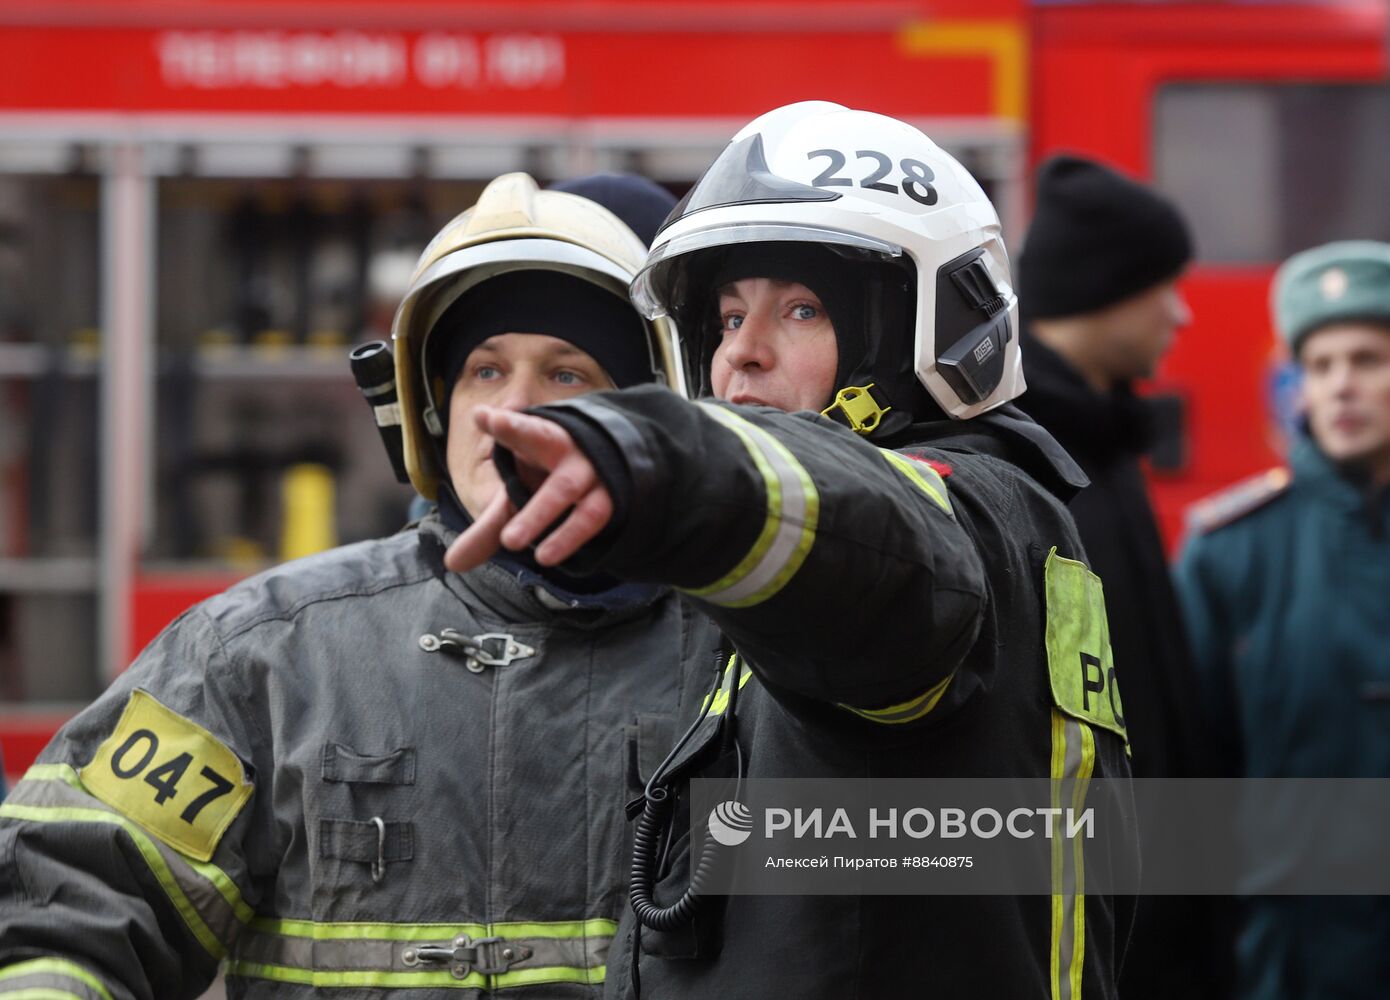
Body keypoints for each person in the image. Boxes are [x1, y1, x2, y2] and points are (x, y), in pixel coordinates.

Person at [444, 101, 1138, 999]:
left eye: (801, 311)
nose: (743, 356)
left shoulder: (957, 514)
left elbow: (869, 536)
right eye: (728, 318)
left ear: (923, 333)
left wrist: (666, 466)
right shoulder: (1012, 518)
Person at [0, 172, 710, 998]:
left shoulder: (741, 664)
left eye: (567, 374)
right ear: (432, 409)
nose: (513, 411)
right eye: (484, 371)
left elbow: (848, 917)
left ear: (649, 418)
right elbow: (69, 906)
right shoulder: (263, 658)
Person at [1014, 155, 1230, 998]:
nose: (1179, 314)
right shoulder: (1032, 466)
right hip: (1102, 932)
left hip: (1164, 913)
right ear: (1102, 291)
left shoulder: (1104, 439)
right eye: (1161, 286)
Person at [1174, 240, 1390, 999]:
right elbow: (1190, 766)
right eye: (1322, 366)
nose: (1342, 387)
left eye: (1367, 359)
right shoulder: (1229, 548)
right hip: (1288, 954)